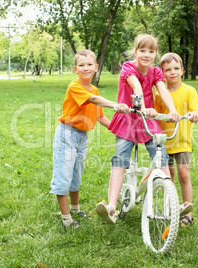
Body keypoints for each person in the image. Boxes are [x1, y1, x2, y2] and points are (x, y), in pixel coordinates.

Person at [96, 34, 191, 225]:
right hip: (128, 118)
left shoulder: (156, 72)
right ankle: (112, 207)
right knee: (120, 160)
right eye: (142, 50)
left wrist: (173, 111)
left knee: (162, 157)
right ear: (135, 52)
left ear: (156, 54)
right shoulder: (128, 67)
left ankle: (172, 205)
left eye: (151, 51)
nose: (146, 55)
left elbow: (162, 90)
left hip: (147, 120)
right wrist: (141, 106)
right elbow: (136, 85)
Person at [50, 49, 129, 228]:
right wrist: (115, 105)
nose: (85, 68)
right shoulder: (75, 86)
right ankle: (66, 220)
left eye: (89, 65)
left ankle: (76, 209)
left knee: (76, 175)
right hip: (67, 135)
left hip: (81, 137)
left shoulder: (94, 88)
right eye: (81, 65)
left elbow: (99, 117)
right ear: (75, 69)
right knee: (64, 176)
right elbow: (93, 100)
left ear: (96, 67)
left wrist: (119, 131)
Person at [154, 52, 198, 226]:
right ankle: (172, 207)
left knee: (184, 175)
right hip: (164, 143)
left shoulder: (189, 91)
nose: (172, 72)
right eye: (168, 70)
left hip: (182, 142)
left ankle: (187, 213)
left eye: (176, 68)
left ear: (182, 70)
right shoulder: (159, 94)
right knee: (169, 177)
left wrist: (194, 113)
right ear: (162, 73)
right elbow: (155, 116)